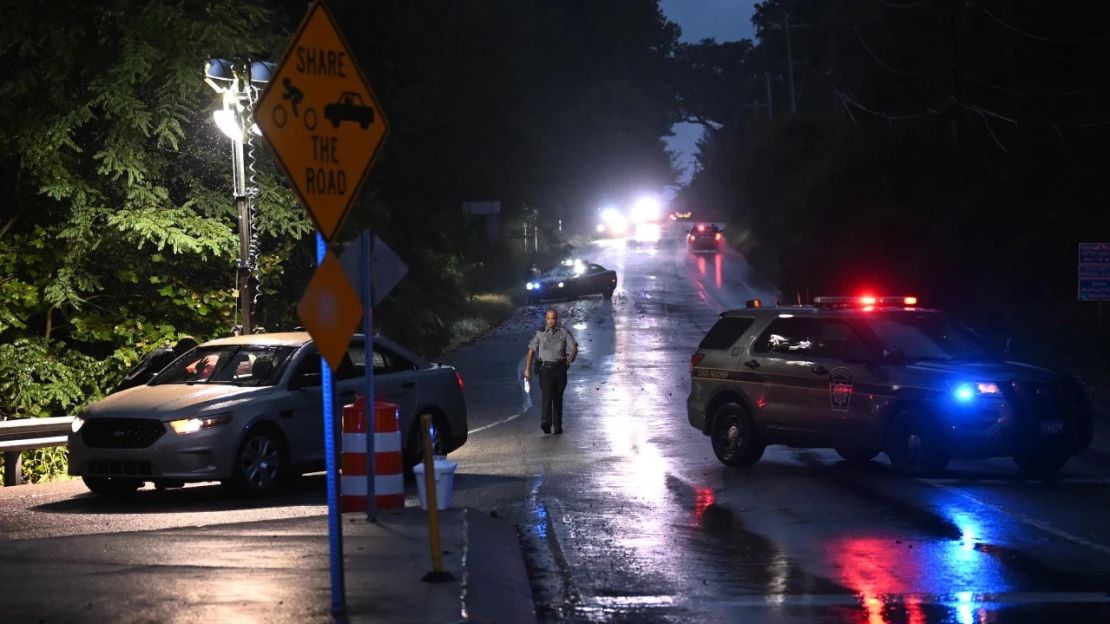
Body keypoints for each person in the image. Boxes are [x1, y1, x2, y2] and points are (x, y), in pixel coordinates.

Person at [523, 308, 577, 434]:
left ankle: (558, 425)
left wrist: (573, 354)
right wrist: (527, 370)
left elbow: (573, 346)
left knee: (558, 397)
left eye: (553, 318)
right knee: (547, 395)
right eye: (548, 318)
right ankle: (546, 422)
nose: (551, 321)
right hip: (545, 370)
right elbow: (531, 351)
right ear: (545, 319)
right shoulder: (540, 333)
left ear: (557, 319)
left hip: (560, 370)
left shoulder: (564, 332)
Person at [116, 336, 198, 391]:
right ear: (181, 348)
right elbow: (172, 374)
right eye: (189, 351)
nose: (189, 355)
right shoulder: (169, 355)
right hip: (136, 385)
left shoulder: (164, 350)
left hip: (131, 382)